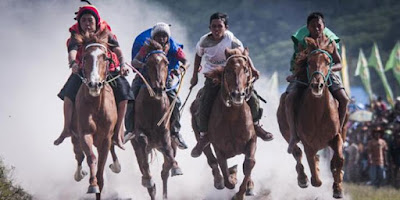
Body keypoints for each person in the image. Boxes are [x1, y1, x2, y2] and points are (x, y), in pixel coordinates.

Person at [190, 12, 274, 158]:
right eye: (214, 26)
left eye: (219, 26)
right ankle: (204, 135)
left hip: (233, 74)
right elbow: (198, 55)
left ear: (226, 27)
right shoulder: (203, 41)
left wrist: (253, 69)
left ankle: (256, 125)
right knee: (204, 103)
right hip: (214, 76)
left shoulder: (231, 39)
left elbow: (244, 55)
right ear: (209, 27)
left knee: (252, 97)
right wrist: (194, 75)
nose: (216, 29)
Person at [54, 3, 132, 150]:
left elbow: (118, 50)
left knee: (124, 95)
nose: (87, 24)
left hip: (107, 70)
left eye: (90, 20)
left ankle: (118, 134)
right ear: (79, 23)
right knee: (68, 94)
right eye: (83, 21)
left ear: (96, 22)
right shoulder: (75, 34)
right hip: (84, 71)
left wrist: (122, 65)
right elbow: (72, 51)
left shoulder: (106, 33)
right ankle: (66, 129)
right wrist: (73, 64)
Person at [286, 12, 350, 153]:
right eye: (313, 26)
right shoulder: (304, 42)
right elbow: (299, 63)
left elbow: (339, 64)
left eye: (319, 25)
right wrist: (294, 75)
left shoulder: (330, 42)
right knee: (290, 99)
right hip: (306, 73)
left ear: (323, 26)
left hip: (326, 74)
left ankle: (338, 131)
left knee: (344, 99)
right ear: (308, 27)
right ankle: (293, 135)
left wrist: (326, 69)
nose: (316, 28)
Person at [124, 22, 188, 149]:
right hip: (144, 77)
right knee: (130, 98)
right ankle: (130, 129)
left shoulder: (172, 46)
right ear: (154, 36)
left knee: (176, 101)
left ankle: (175, 132)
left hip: (165, 78)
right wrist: (143, 66)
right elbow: (134, 61)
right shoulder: (146, 46)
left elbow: (185, 61)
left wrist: (179, 70)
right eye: (159, 36)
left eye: (164, 36)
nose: (162, 39)